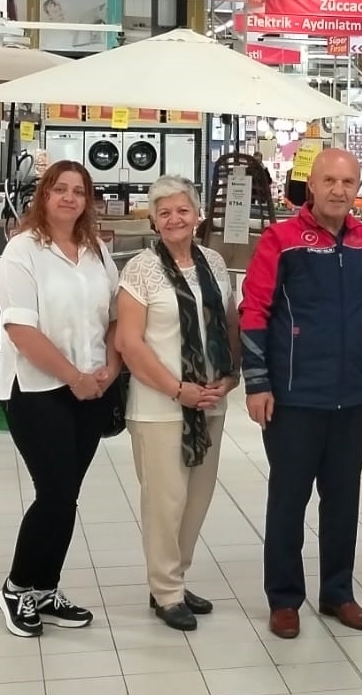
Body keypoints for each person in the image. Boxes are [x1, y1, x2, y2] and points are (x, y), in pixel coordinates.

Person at [241, 147, 362, 640]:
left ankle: (338, 593)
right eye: (329, 181)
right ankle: (284, 599)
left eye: (348, 182)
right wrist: (258, 382)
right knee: (289, 500)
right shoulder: (281, 240)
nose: (338, 190)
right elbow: (254, 311)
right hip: (294, 396)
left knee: (343, 499)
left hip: (351, 396)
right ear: (312, 184)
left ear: (357, 187)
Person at [0, 160, 120, 639]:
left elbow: (115, 317)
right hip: (36, 390)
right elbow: (21, 329)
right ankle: (16, 587)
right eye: (60, 189)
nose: (69, 198)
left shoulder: (97, 251)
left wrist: (110, 369)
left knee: (67, 496)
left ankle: (45, 589)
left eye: (78, 191)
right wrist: (72, 376)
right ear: (44, 195)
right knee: (56, 493)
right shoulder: (22, 251)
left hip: (92, 389)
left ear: (88, 200)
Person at [114, 176, 240, 631]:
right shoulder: (141, 270)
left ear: (198, 215)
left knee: (196, 501)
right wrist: (176, 387)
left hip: (209, 402)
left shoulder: (214, 262)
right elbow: (129, 342)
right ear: (153, 220)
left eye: (182, 210)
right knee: (165, 504)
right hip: (160, 407)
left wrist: (230, 377)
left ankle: (175, 580)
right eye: (164, 212)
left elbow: (230, 323)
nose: (174, 219)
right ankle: (165, 591)